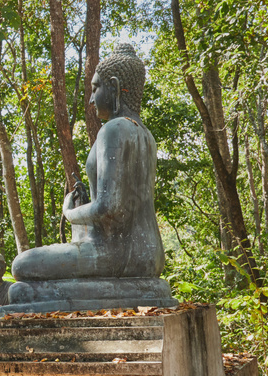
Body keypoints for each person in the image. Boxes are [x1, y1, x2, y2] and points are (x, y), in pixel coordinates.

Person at [11, 44, 165, 283]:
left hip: (114, 254)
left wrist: (69, 212)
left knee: (22, 265)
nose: (92, 99)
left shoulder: (113, 129)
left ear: (113, 87)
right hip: (150, 257)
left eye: (95, 88)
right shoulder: (147, 136)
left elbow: (107, 208)